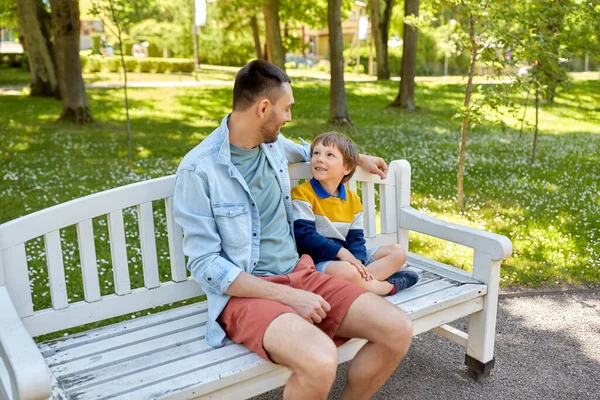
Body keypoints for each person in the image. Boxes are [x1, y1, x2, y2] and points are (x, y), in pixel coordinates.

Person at [173, 60, 413, 400]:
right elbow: (205, 265)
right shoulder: (199, 170)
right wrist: (288, 297)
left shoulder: (271, 144)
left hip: (300, 273)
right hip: (246, 293)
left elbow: (308, 151)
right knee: (320, 358)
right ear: (263, 108)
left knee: (397, 329)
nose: (288, 118)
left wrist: (359, 158)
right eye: (286, 109)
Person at [292, 131, 419, 296]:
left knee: (398, 252)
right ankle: (386, 287)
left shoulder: (352, 199)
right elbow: (305, 235)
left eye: (330, 154)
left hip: (348, 259)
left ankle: (357, 281)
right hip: (321, 261)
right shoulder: (303, 193)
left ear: (347, 167)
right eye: (316, 153)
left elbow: (356, 238)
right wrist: (344, 255)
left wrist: (357, 260)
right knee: (347, 270)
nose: (320, 158)